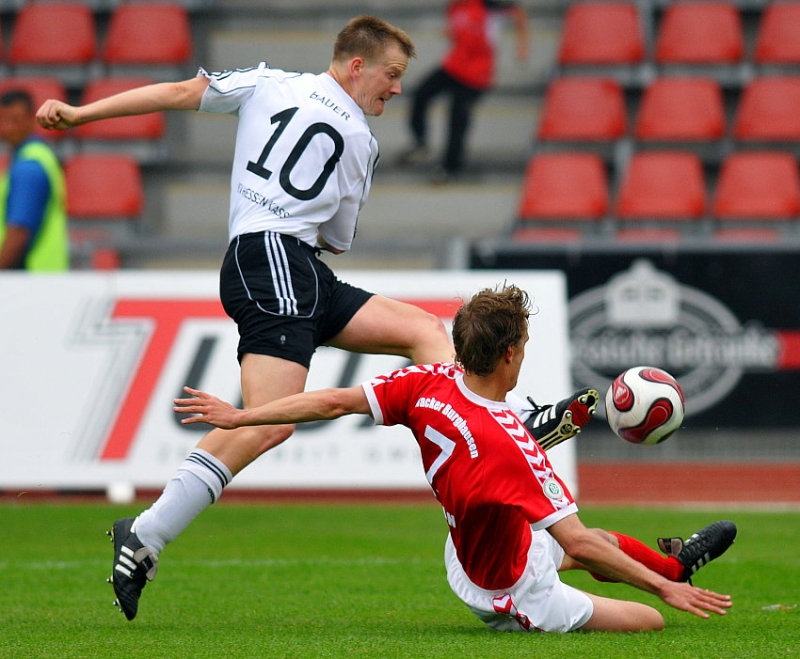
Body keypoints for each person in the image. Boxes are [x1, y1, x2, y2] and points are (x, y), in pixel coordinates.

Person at [37, 16, 596, 621]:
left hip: (287, 263)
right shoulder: (358, 137)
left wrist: (78, 113)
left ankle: (506, 423)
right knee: (267, 421)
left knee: (423, 332)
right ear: (357, 66)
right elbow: (339, 235)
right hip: (278, 258)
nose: (397, 89)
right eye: (392, 75)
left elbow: (177, 93)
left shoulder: (266, 82)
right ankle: (145, 534)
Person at [174, 283, 736, 633]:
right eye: (524, 347)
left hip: (476, 537)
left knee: (609, 544)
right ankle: (665, 580)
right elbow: (578, 542)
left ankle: (676, 562)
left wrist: (244, 414)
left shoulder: (427, 380)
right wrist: (663, 594)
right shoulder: (511, 444)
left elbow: (332, 400)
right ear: (510, 354)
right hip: (507, 589)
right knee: (649, 619)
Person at [398, 0, 529, 183]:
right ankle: (420, 143)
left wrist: (522, 46)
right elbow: (460, 31)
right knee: (421, 94)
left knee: (457, 114)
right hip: (453, 66)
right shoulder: (454, 8)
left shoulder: (486, 5)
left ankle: (451, 167)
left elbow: (518, 13)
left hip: (477, 74)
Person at [0, 89, 68, 271]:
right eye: (3, 121)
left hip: (31, 280)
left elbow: (19, 232)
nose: (7, 128)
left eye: (15, 120)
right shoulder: (38, 157)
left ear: (32, 118)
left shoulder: (28, 166)